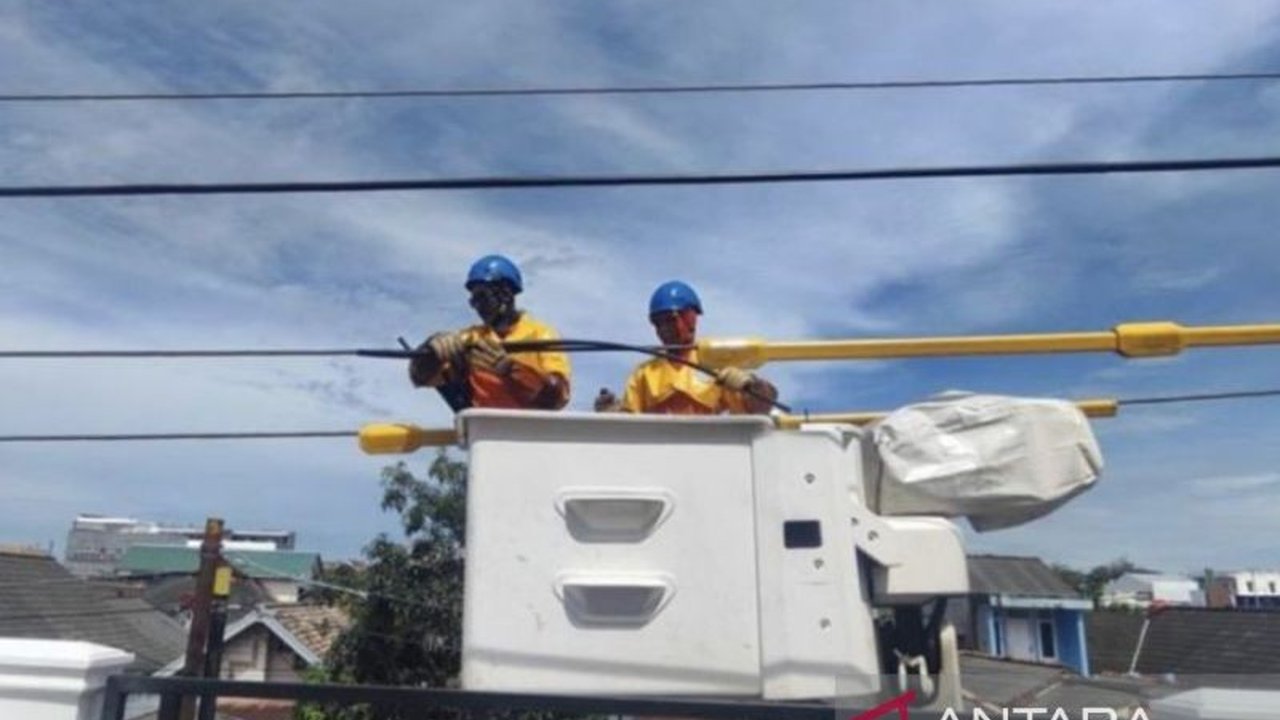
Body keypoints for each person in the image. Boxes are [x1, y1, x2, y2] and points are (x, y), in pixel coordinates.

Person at [409, 254, 570, 410]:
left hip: (529, 432)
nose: (477, 306)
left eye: (482, 297)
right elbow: (419, 378)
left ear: (506, 294)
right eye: (473, 300)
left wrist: (510, 369)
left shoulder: (541, 335)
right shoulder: (471, 338)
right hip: (485, 431)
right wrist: (431, 351)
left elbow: (558, 397)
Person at [595, 280, 777, 415]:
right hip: (658, 455)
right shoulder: (644, 374)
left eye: (670, 320)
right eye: (657, 323)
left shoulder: (715, 366)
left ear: (690, 318)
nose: (663, 329)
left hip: (707, 452)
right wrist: (612, 412)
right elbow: (629, 424)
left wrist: (751, 386)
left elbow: (760, 407)